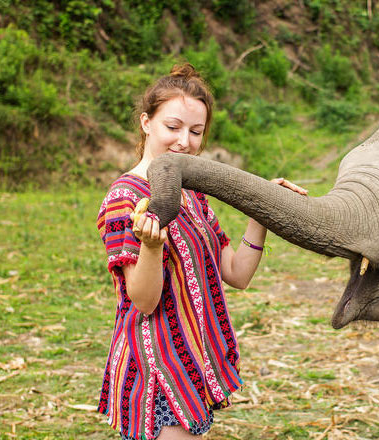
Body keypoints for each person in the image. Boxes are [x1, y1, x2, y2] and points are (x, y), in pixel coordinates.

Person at [96, 63, 307, 439]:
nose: (184, 142)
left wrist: (263, 211)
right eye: (172, 127)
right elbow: (143, 301)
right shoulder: (123, 199)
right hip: (157, 369)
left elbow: (237, 273)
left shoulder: (192, 193)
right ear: (146, 123)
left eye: (196, 131)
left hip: (193, 361)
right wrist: (151, 247)